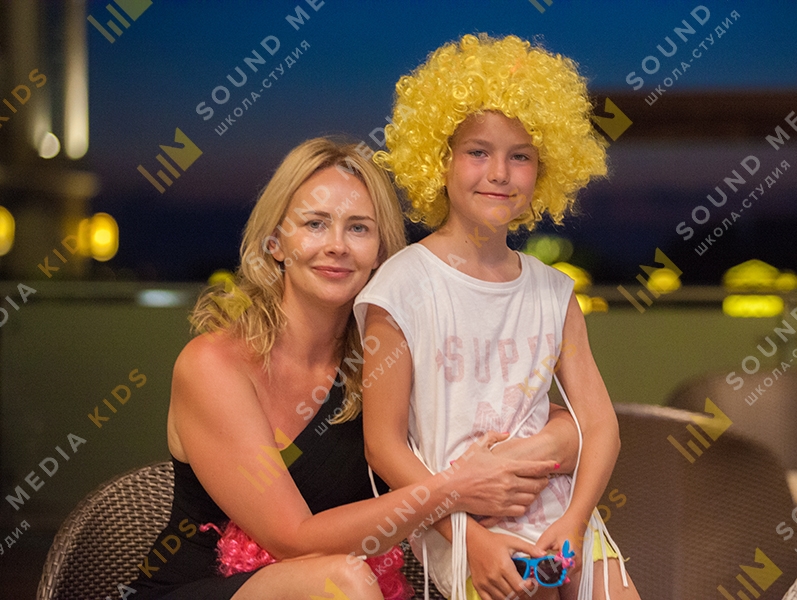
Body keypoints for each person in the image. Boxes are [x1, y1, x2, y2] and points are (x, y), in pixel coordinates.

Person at [128, 137, 580, 600]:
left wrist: (519, 457)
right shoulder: (213, 365)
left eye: (359, 228)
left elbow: (560, 426)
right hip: (208, 589)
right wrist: (453, 488)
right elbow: (292, 539)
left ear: (381, 253)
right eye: (315, 224)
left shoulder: (385, 359)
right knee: (342, 581)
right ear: (275, 242)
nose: (337, 246)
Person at [356, 35, 641, 600]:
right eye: (478, 152)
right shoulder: (402, 285)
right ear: (440, 161)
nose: (500, 173)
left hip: (564, 516)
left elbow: (600, 426)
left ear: (544, 169)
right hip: (457, 523)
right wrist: (468, 537)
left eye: (521, 156)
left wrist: (575, 522)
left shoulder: (553, 293)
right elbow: (383, 447)